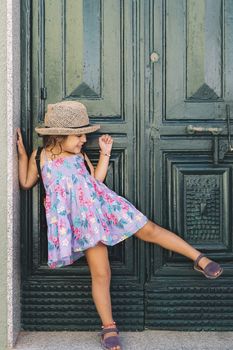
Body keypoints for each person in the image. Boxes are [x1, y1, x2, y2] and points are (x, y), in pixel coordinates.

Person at [17, 100, 223, 350]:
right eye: (79, 135)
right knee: (102, 273)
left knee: (150, 230)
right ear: (60, 136)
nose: (84, 139)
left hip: (105, 206)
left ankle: (198, 258)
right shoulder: (40, 157)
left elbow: (95, 181)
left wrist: (104, 154)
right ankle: (108, 327)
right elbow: (27, 182)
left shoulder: (80, 155)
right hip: (86, 224)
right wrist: (21, 155)